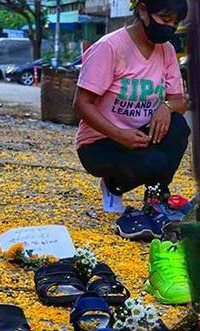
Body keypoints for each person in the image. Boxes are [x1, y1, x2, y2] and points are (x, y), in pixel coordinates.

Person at [73, 0, 189, 214]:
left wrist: (166, 106)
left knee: (179, 127)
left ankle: (156, 196)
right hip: (100, 142)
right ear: (143, 11)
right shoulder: (110, 47)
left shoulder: (167, 51)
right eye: (165, 19)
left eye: (175, 22)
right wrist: (119, 135)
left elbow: (179, 101)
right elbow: (81, 104)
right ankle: (113, 185)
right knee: (154, 162)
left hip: (141, 137)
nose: (171, 27)